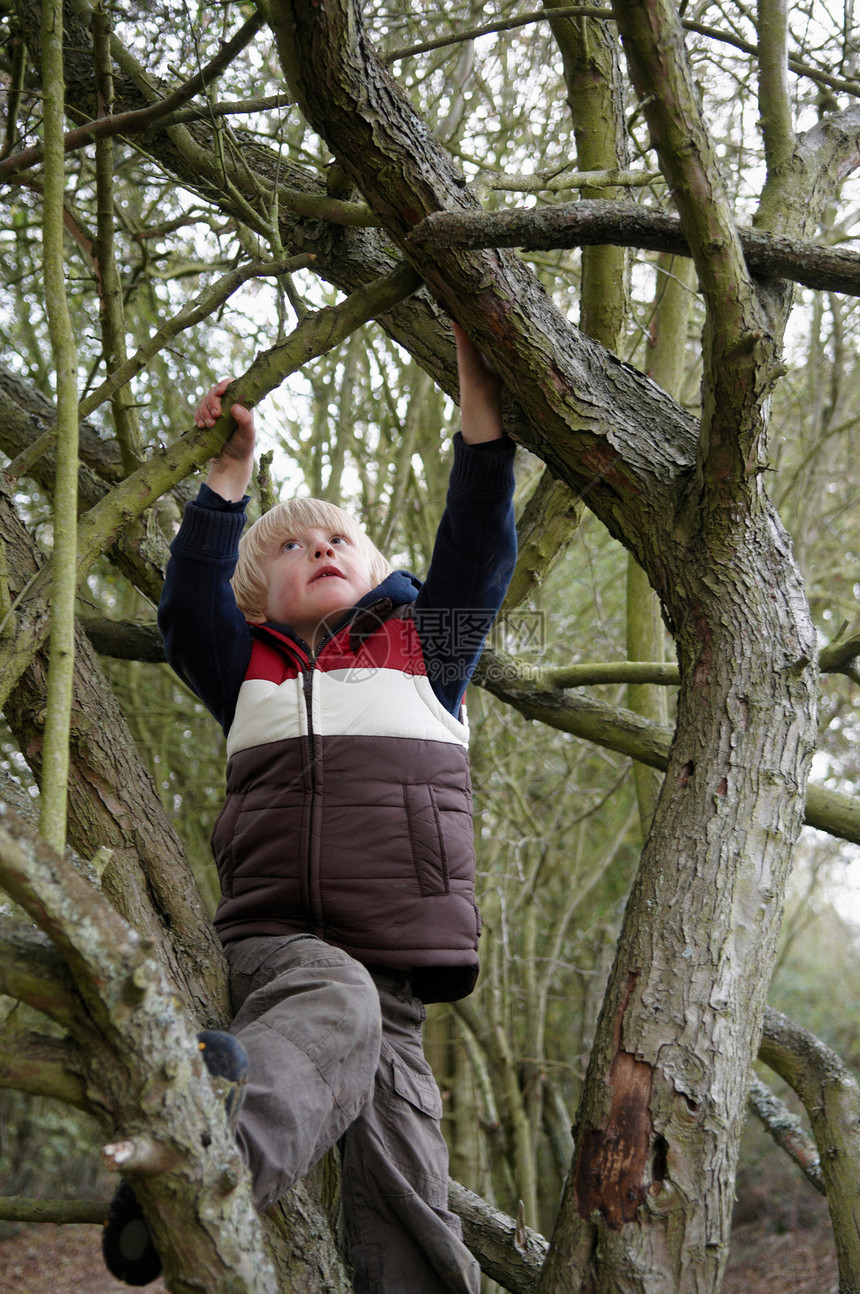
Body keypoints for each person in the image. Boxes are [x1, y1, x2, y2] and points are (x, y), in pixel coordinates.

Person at [103, 323, 517, 1293]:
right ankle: (204, 1172)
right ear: (258, 601)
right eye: (291, 547)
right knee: (335, 998)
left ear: (378, 571)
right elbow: (185, 604)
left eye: (339, 540)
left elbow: (478, 533)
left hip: (401, 972)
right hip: (278, 947)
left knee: (410, 1192)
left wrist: (480, 391)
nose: (319, 547)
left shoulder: (429, 652)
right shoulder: (244, 668)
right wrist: (228, 476)